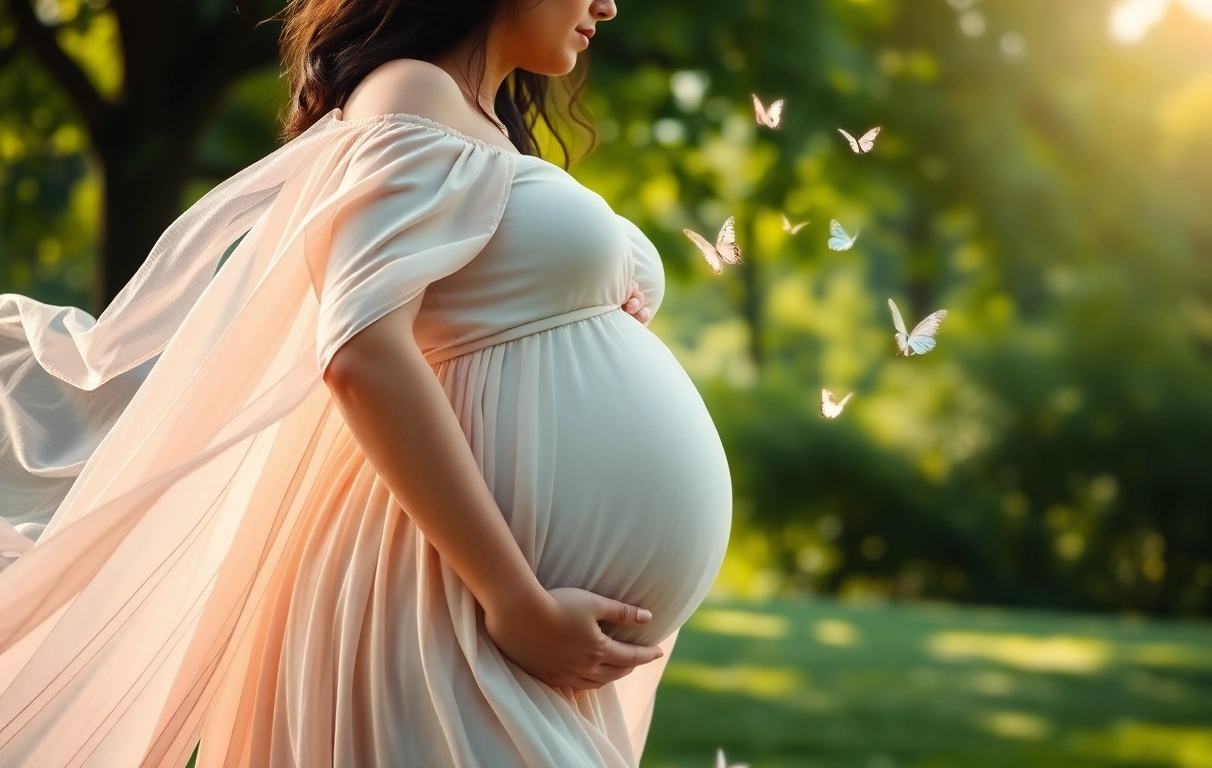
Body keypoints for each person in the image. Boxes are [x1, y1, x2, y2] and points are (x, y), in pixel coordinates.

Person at [0, 0, 734, 764]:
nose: (608, 5)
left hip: (482, 613)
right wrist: (513, 599)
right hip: (438, 602)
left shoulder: (476, 125)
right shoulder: (411, 90)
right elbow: (361, 349)